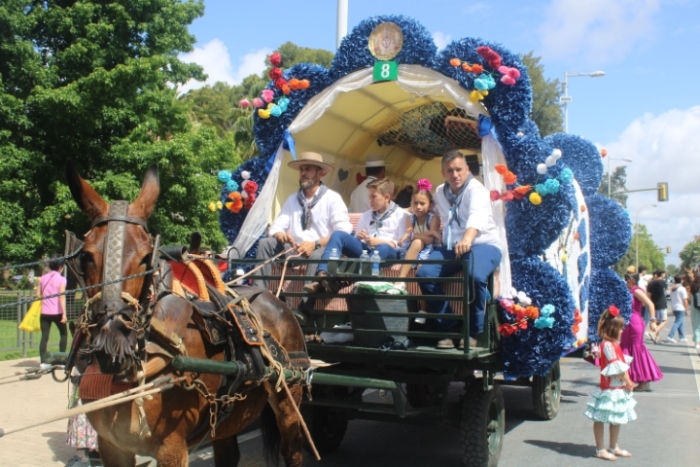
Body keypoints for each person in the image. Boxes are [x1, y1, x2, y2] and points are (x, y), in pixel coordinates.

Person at [415, 150, 502, 350]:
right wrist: (434, 231)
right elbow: (433, 212)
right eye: (450, 170)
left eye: (459, 169)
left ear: (467, 170)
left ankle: (473, 331)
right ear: (443, 173)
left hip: (483, 244)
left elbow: (476, 216)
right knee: (425, 273)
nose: (455, 175)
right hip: (453, 246)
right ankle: (448, 325)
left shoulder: (476, 189)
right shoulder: (439, 192)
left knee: (474, 275)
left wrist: (467, 239)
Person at [252, 152, 352, 290]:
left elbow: (343, 231)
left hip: (322, 250)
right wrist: (281, 235)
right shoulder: (292, 199)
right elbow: (276, 226)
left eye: (308, 169)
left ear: (321, 173)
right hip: (295, 249)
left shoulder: (332, 198)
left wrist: (315, 244)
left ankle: (306, 307)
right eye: (301, 169)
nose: (303, 173)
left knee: (317, 255)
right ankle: (258, 293)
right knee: (266, 243)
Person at [305, 178, 408, 293]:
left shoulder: (402, 215)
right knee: (338, 234)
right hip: (367, 252)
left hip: (388, 252)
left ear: (387, 197)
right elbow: (358, 242)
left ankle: (344, 279)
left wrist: (378, 241)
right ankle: (323, 274)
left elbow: (402, 245)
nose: (370, 200)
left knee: (382, 248)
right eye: (369, 196)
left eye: (373, 197)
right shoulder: (366, 215)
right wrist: (358, 237)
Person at [584, 305, 636, 461]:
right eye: (619, 329)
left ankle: (613, 446)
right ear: (612, 329)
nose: (622, 331)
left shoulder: (614, 345)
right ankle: (600, 449)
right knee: (600, 418)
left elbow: (621, 365)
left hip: (617, 387)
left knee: (616, 418)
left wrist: (626, 380)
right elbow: (617, 367)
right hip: (609, 388)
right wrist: (628, 381)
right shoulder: (607, 345)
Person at [395, 179, 441, 288]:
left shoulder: (433, 218)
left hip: (430, 250)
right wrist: (431, 232)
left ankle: (424, 303)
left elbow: (430, 240)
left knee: (422, 267)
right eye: (415, 203)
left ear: (430, 205)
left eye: (422, 203)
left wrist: (411, 236)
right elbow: (411, 235)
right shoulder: (409, 218)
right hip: (414, 248)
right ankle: (400, 280)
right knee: (417, 241)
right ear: (411, 204)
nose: (418, 207)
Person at [620, 273, 663, 392]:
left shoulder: (636, 291)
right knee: (626, 350)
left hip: (635, 323)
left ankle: (643, 380)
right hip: (627, 324)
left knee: (636, 350)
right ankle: (628, 378)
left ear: (633, 281)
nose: (626, 282)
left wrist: (653, 320)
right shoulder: (627, 291)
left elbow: (650, 304)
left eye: (628, 280)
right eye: (625, 280)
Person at [37, 254, 67, 371]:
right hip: (57, 312)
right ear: (60, 266)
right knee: (63, 334)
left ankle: (43, 363)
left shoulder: (43, 278)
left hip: (44, 312)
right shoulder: (62, 279)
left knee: (44, 337)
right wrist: (64, 314)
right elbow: (61, 297)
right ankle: (61, 361)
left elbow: (38, 294)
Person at [665, 274, 689, 343]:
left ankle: (682, 336)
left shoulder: (673, 289)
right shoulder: (682, 289)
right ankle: (670, 335)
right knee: (678, 321)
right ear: (681, 281)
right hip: (680, 307)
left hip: (674, 307)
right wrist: (687, 309)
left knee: (680, 321)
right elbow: (685, 300)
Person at [646, 269, 668, 343]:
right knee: (664, 321)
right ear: (662, 275)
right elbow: (667, 289)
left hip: (653, 304)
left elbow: (648, 294)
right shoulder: (662, 282)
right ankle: (653, 333)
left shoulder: (651, 283)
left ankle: (656, 338)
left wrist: (649, 303)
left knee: (657, 322)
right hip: (661, 304)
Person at [689, 266, 700, 350]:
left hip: (695, 306)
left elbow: (690, 297)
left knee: (696, 325)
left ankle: (697, 342)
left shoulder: (693, 285)